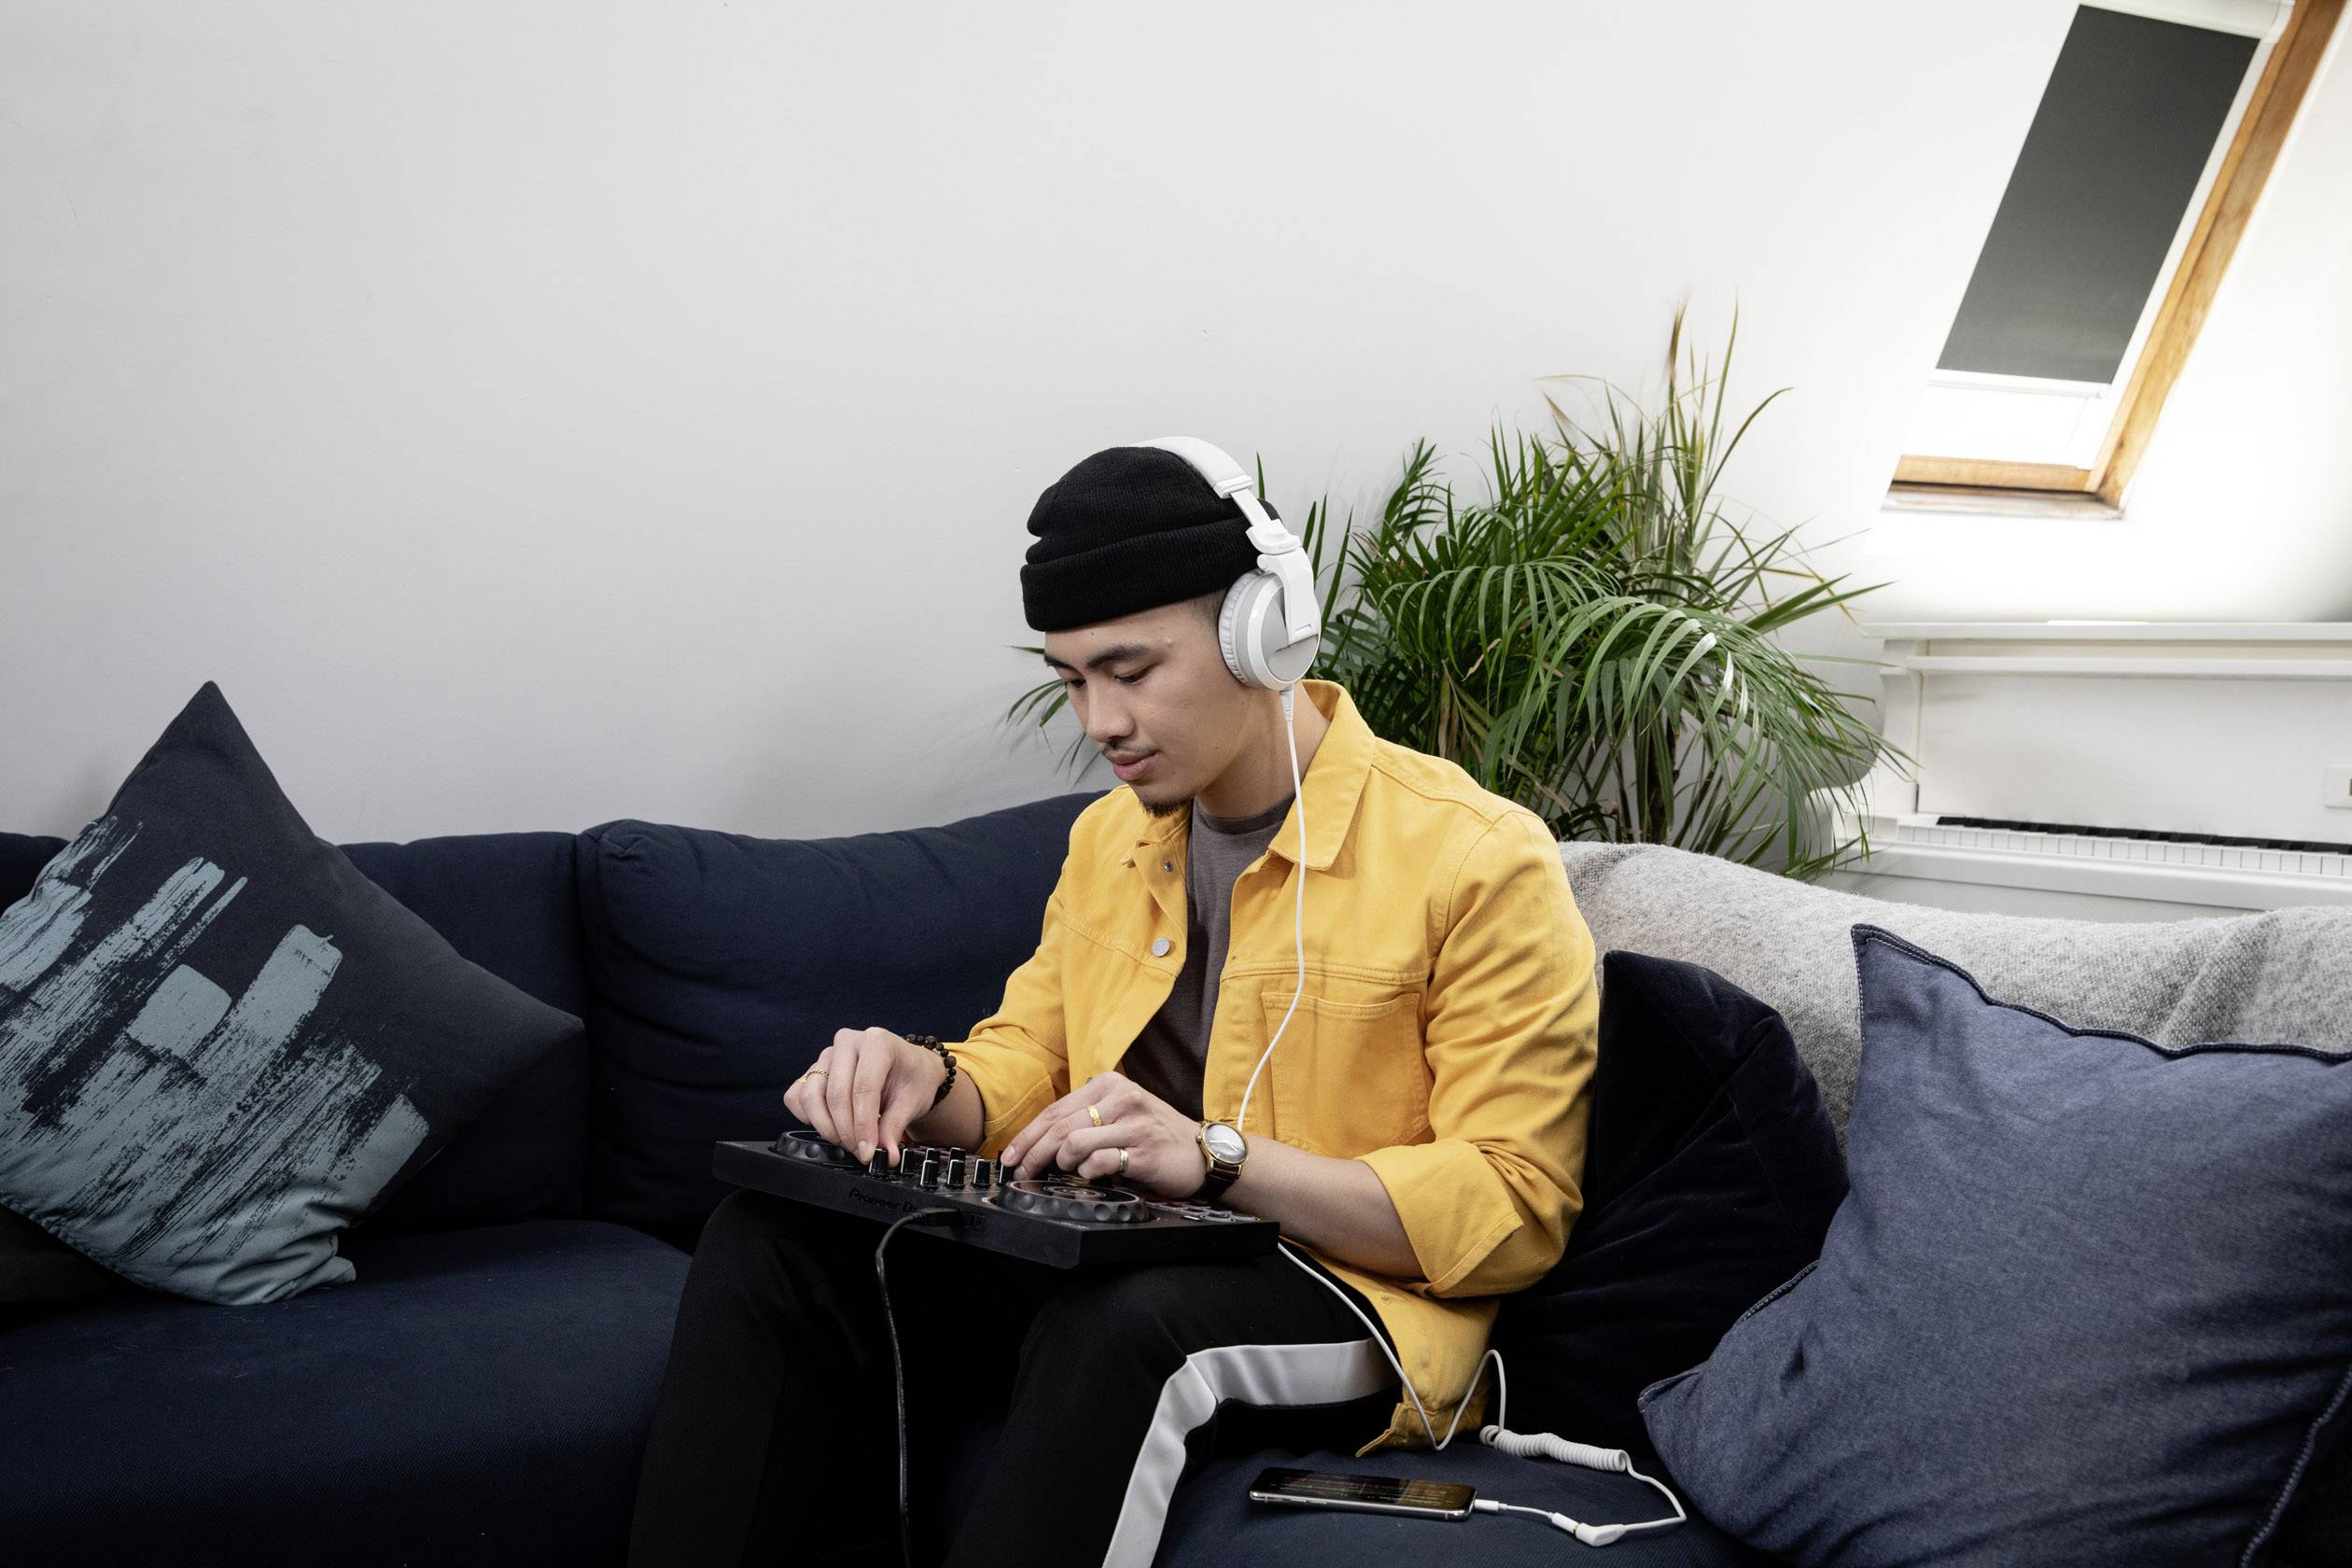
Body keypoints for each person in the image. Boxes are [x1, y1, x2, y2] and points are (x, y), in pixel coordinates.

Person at [625, 441, 1600, 1568]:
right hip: (1122, 1254)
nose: (1100, 719)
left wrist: (1219, 1159)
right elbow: (1026, 1061)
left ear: (1263, 634)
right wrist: (925, 1081)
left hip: (1349, 1298)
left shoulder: (1477, 859)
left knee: (1126, 1328)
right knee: (773, 1238)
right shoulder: (1108, 839)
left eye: (1132, 671)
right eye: (1073, 680)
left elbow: (1518, 1206)